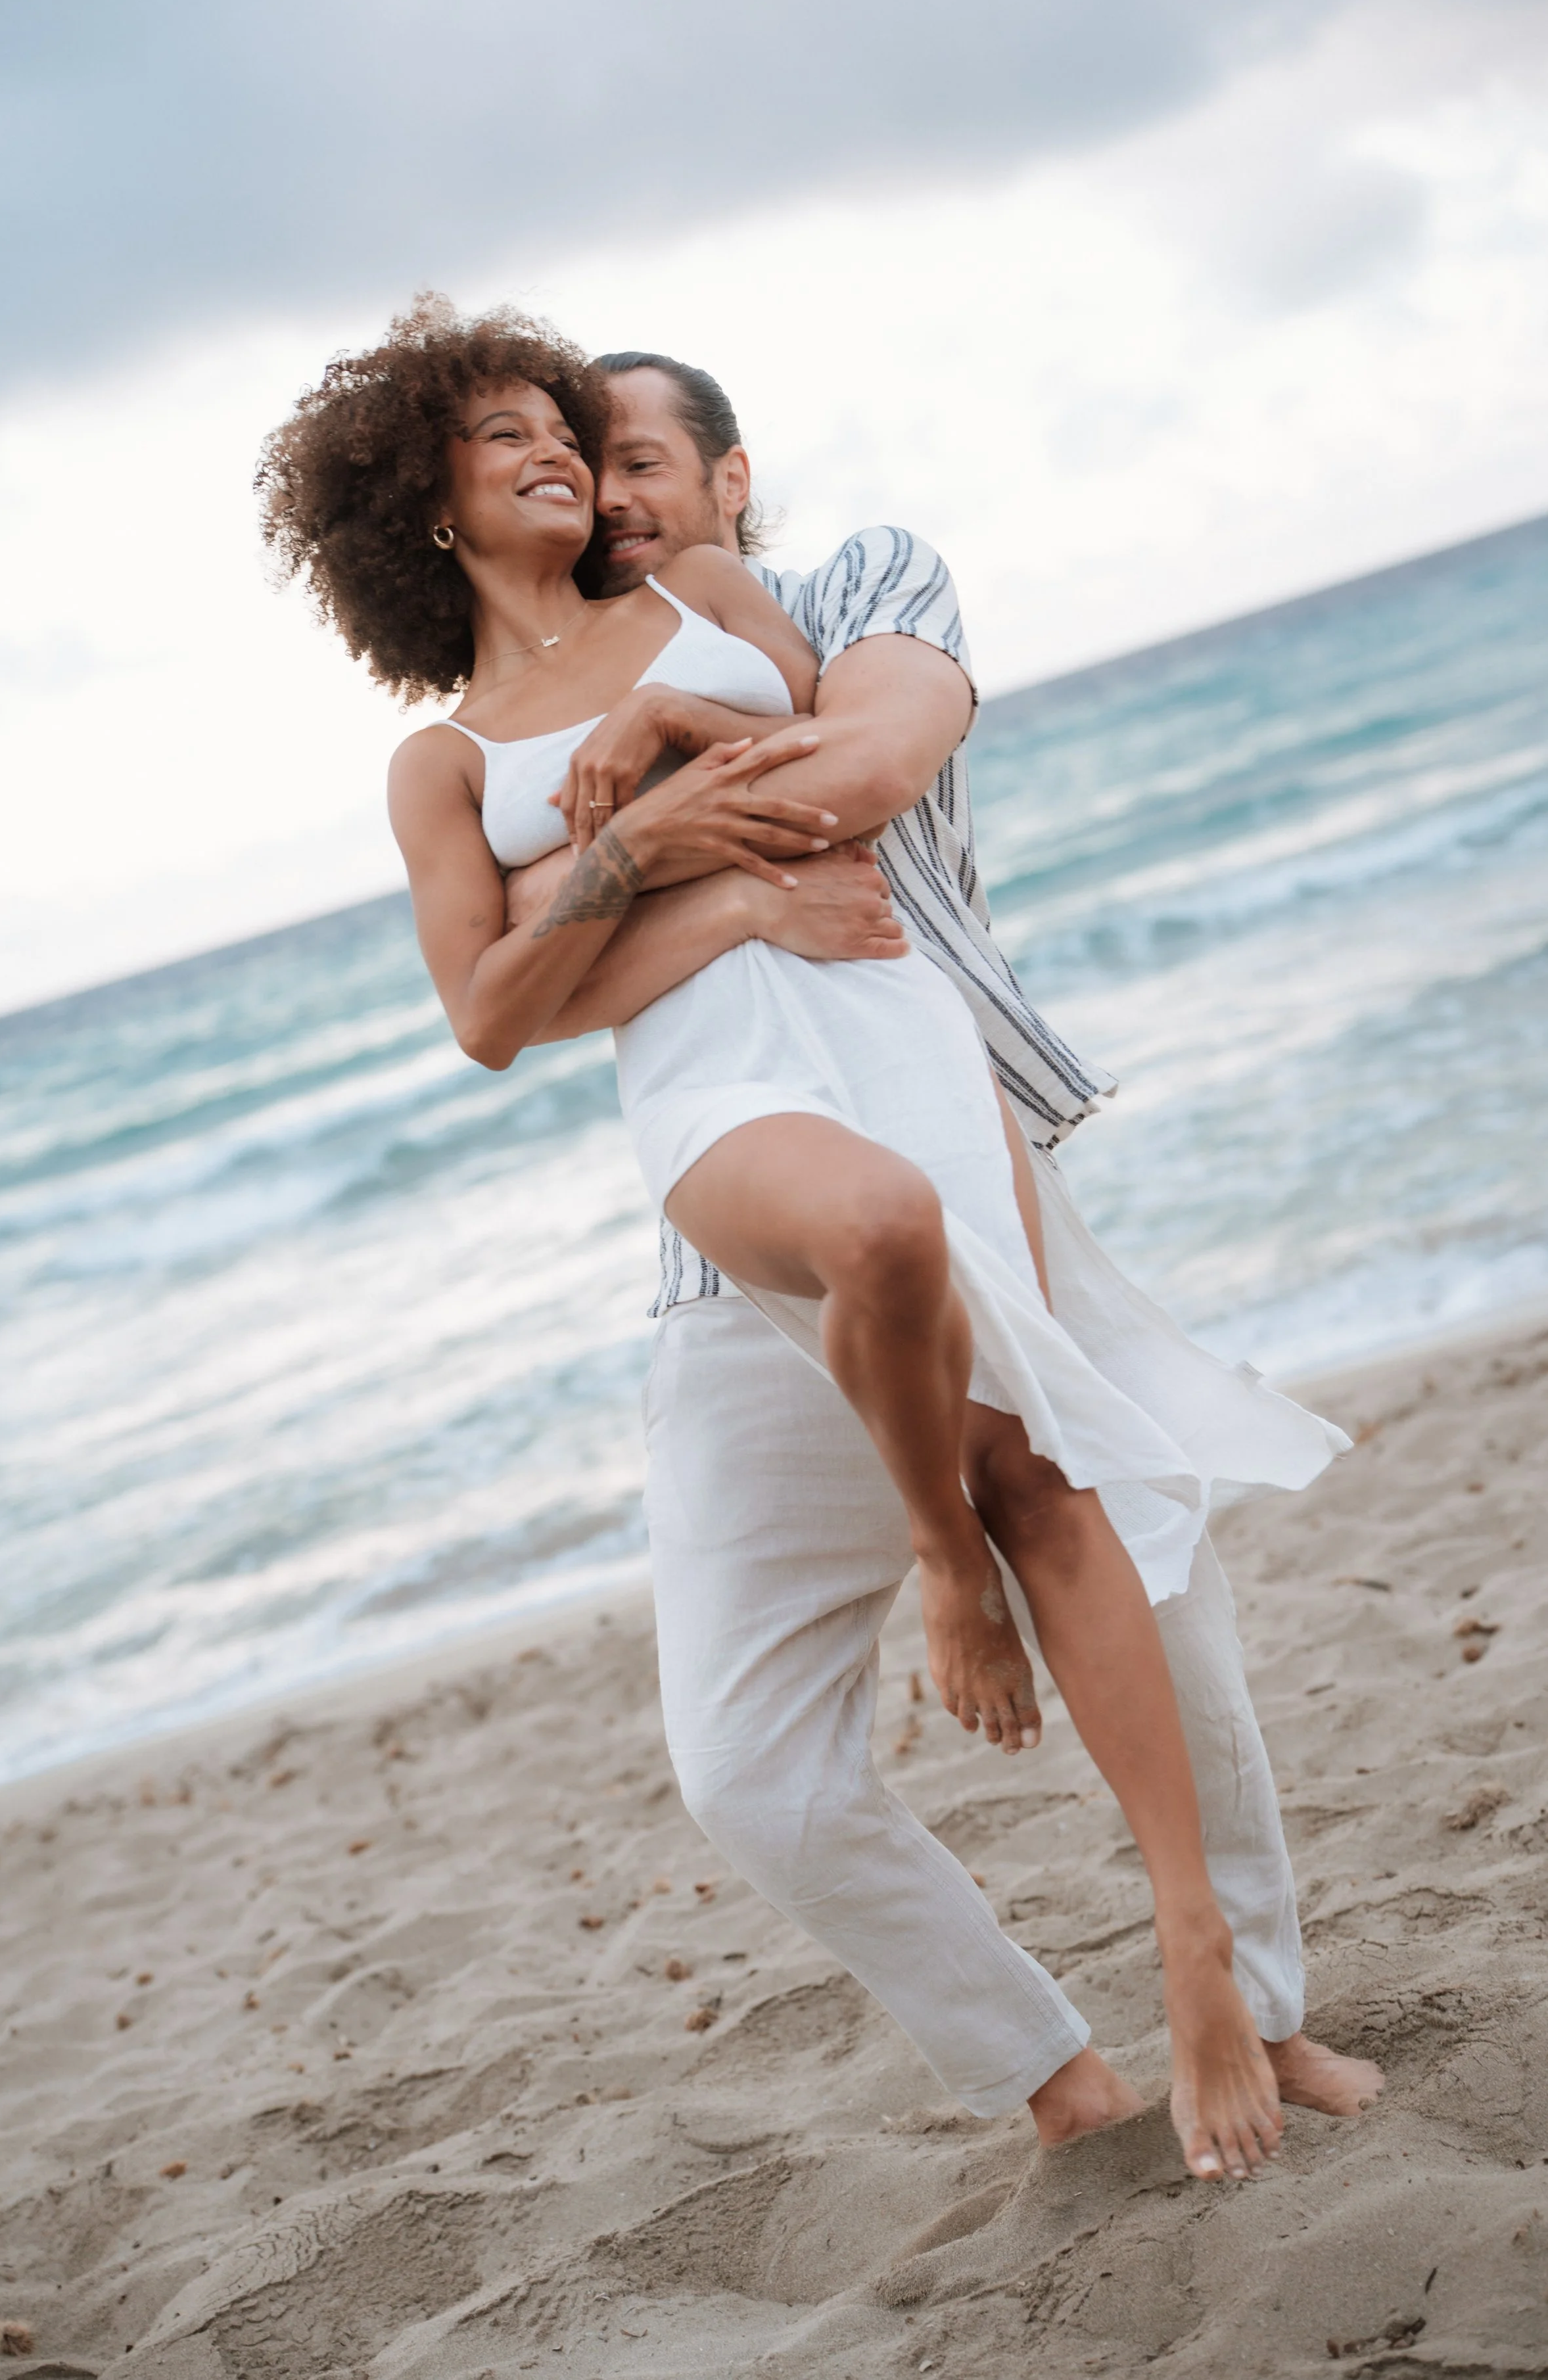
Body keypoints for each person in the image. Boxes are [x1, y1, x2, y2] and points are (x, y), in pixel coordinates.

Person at [258, 298, 1377, 2183]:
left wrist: (671, 767)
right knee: (769, 1723)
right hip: (723, 1143)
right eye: (510, 434)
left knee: (1065, 1487)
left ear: (712, 479)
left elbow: (824, 801)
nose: (559, 461)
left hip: (890, 1046)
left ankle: (1222, 1977)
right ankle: (1036, 2011)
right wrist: (673, 886)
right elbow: (491, 1007)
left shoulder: (715, 594)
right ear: (412, 498)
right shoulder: (438, 762)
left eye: (587, 435)